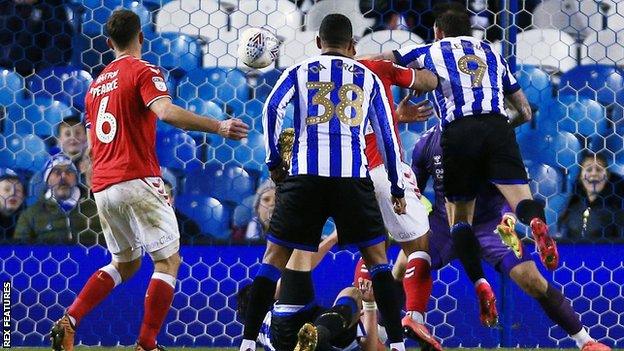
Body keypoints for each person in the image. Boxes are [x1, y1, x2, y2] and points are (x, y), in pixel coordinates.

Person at [49, 9, 248, 351]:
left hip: (103, 185)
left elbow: (94, 143)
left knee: (124, 264)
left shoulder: (95, 87)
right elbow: (167, 112)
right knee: (168, 260)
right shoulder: (144, 71)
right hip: (137, 177)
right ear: (141, 37)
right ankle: (147, 343)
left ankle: (71, 319)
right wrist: (219, 126)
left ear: (109, 43)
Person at [241, 14, 408, 351]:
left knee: (273, 258)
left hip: (305, 178)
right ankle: (399, 346)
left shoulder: (299, 71)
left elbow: (271, 109)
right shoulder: (368, 77)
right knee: (378, 261)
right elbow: (387, 136)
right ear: (352, 46)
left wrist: (275, 161)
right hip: (351, 179)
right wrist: (396, 186)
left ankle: (247, 343)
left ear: (318, 43)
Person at [363, 9, 560, 291]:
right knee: (521, 202)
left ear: (438, 32)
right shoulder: (493, 54)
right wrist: (501, 129)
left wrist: (347, 60)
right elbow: (526, 111)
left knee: (460, 220)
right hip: (497, 126)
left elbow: (382, 60)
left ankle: (479, 282)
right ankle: (537, 223)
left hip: (459, 131)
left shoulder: (432, 49)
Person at [394, 122, 611, 351]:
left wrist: (508, 216)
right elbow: (413, 190)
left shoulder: (488, 137)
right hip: (444, 223)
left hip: (491, 225)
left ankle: (586, 341)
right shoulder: (426, 143)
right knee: (401, 266)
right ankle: (384, 334)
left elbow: (510, 186)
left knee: (532, 281)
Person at [355, 49, 443, 349]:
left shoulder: (319, 75)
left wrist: (396, 116)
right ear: (352, 46)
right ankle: (414, 317)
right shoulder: (376, 66)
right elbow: (429, 82)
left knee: (372, 248)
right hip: (382, 168)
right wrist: (419, 64)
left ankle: (366, 331)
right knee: (419, 243)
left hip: (348, 174)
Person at [238, 234, 381, 351]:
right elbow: (293, 275)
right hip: (290, 330)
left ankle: (316, 336)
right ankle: (317, 336)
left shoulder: (260, 330)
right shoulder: (264, 315)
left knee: (351, 294)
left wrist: (369, 304)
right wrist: (333, 238)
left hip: (296, 332)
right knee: (351, 293)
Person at [14, 154, 100, 244]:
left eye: (69, 171)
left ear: (76, 178)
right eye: (56, 172)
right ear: (46, 180)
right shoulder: (30, 215)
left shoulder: (97, 206)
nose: (63, 176)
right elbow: (20, 252)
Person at [559, 153, 624, 239]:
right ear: (580, 177)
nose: (594, 174)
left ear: (607, 176)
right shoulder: (571, 211)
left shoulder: (617, 214)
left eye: (599, 169)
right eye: (589, 169)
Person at [0, 167, 25, 242]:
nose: (13, 193)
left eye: (18, 190)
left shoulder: (30, 220)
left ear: (23, 197)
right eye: (7, 189)